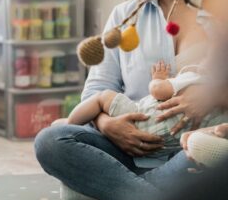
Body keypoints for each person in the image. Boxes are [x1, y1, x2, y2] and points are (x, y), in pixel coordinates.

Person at [35, 0, 225, 200]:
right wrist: (108, 124)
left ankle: (113, 189)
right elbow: (97, 90)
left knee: (214, 154)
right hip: (126, 147)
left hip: (191, 148)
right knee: (51, 141)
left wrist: (209, 97)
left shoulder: (220, 13)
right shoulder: (124, 17)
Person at [63, 60, 227, 160]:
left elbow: (158, 90)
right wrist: (105, 124)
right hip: (160, 147)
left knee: (102, 97)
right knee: (50, 140)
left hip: (140, 117)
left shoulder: (193, 78)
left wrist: (159, 79)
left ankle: (69, 123)